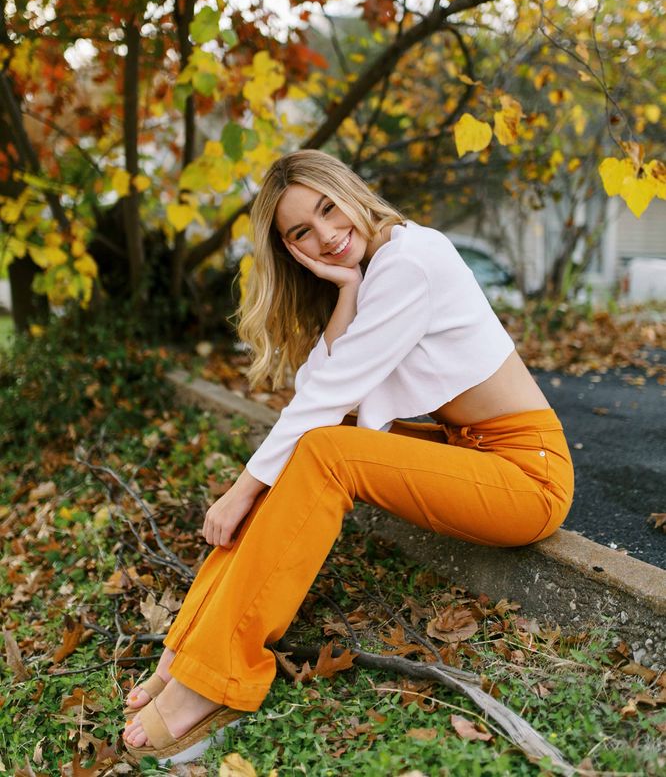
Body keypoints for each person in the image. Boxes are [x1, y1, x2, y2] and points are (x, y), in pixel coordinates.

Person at [122, 149, 574, 764]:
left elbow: (328, 400)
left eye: (329, 209)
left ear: (351, 192)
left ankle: (210, 678)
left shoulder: (410, 259)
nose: (327, 236)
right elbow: (320, 387)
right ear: (289, 248)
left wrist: (239, 490)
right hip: (472, 453)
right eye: (301, 232)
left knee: (323, 452)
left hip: (527, 476)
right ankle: (189, 650)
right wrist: (347, 292)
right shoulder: (377, 267)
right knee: (310, 449)